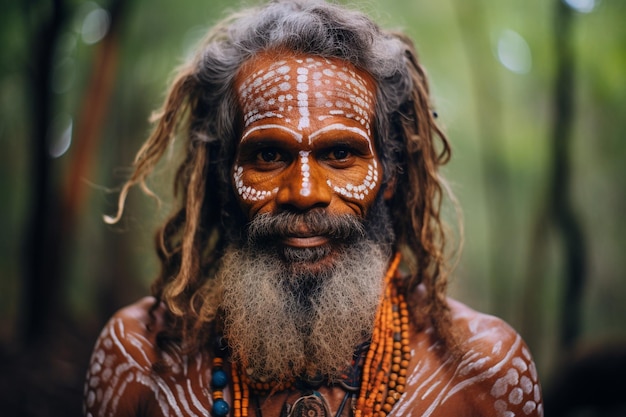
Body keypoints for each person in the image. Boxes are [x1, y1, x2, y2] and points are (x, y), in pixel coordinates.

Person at [83, 1, 543, 416]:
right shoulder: (138, 358)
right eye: (268, 155)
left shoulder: (484, 369)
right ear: (223, 177)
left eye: (340, 154)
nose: (304, 192)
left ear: (391, 175)